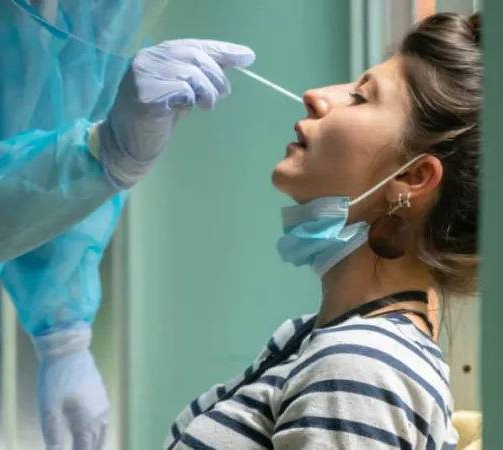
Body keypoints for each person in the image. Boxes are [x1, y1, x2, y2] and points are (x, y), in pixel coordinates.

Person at [165, 11, 480, 450]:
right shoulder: (312, 338)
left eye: (360, 97)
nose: (315, 96)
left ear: (412, 179)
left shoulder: (359, 368)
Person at [0, 1, 255, 449]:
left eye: (364, 96)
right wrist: (102, 152)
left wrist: (64, 333)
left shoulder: (104, 13)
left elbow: (47, 179)